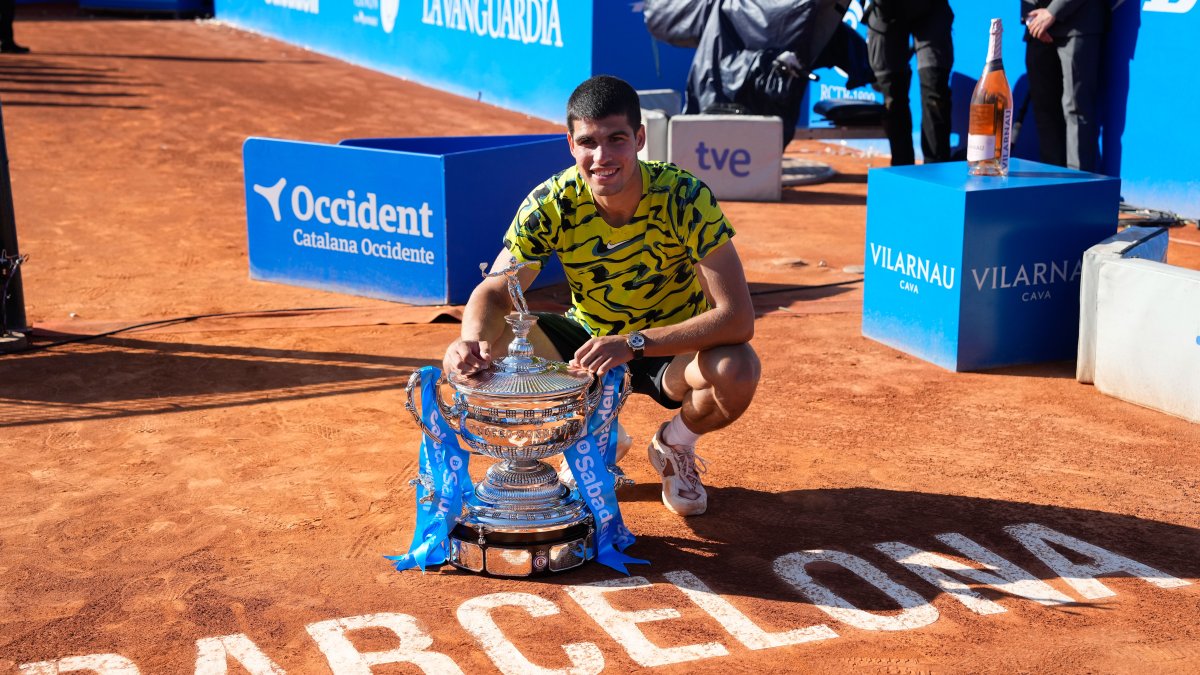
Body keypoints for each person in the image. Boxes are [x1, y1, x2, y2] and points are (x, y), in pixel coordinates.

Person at [443, 75, 760, 517]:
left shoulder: (685, 197)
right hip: (587, 343)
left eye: (616, 139)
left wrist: (633, 343)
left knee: (738, 367)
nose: (602, 156)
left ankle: (675, 444)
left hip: (672, 347)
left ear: (640, 139)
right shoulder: (551, 202)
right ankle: (597, 432)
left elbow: (737, 318)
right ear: (570, 144)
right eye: (588, 142)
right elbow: (496, 290)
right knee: (495, 344)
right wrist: (468, 342)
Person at [1022, 0, 1109, 173]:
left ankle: (1077, 184)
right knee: (1044, 108)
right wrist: (1031, 17)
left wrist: (1052, 12)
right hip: (1037, 27)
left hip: (1078, 24)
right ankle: (1051, 181)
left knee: (1075, 107)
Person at [864, 0, 955, 166]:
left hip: (931, 9)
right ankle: (901, 169)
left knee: (934, 87)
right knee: (891, 92)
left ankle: (936, 171)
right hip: (884, 11)